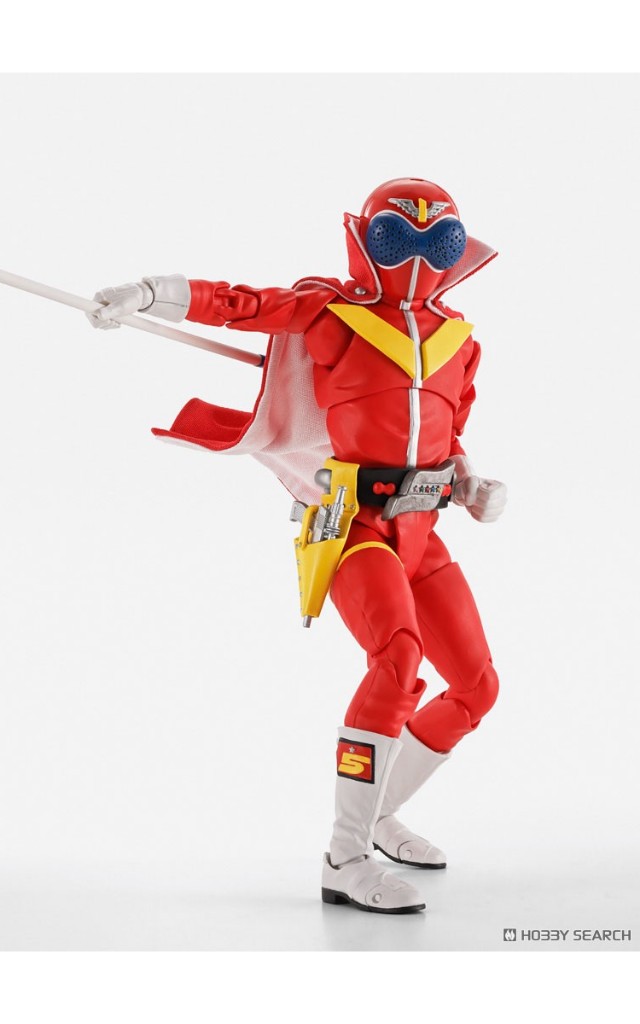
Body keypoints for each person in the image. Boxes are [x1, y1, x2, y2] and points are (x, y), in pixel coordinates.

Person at [86, 178, 507, 914]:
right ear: (364, 241)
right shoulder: (331, 313)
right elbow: (241, 304)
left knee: (476, 687)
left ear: (455, 249)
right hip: (352, 525)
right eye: (394, 239)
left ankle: (376, 816)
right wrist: (149, 293)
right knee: (397, 662)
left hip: (423, 531)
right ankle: (345, 856)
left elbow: (451, 430)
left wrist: (471, 483)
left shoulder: (459, 341)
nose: (414, 257)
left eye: (435, 242)